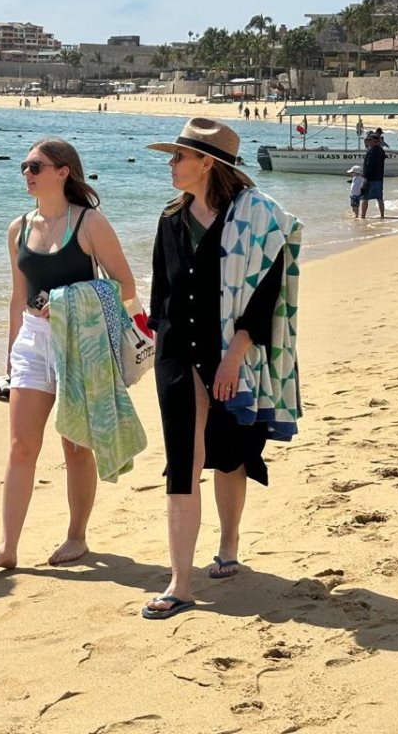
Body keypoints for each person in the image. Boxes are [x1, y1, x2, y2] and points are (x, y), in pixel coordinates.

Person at [142, 118, 302, 619]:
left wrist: (233, 356)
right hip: (176, 356)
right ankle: (180, 582)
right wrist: (154, 349)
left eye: (178, 157)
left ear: (207, 162)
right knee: (182, 464)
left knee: (230, 455)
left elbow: (266, 298)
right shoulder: (170, 219)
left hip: (233, 352)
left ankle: (229, 543)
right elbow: (161, 294)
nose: (171, 165)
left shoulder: (259, 221)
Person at [0, 139, 139, 570]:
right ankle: (8, 547)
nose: (27, 173)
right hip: (33, 340)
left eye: (36, 166)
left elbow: (125, 285)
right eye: (25, 166)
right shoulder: (18, 228)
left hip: (80, 342)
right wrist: (11, 353)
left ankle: (76, 536)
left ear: (63, 172)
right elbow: (17, 298)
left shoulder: (89, 223)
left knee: (75, 446)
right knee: (20, 445)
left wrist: (68, 301)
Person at [360, 134, 386, 219]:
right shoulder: (381, 151)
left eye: (369, 140)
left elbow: (368, 166)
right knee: (379, 198)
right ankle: (382, 215)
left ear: (373, 141)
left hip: (370, 178)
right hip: (379, 178)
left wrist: (365, 178)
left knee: (364, 198)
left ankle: (362, 216)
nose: (368, 142)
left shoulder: (370, 151)